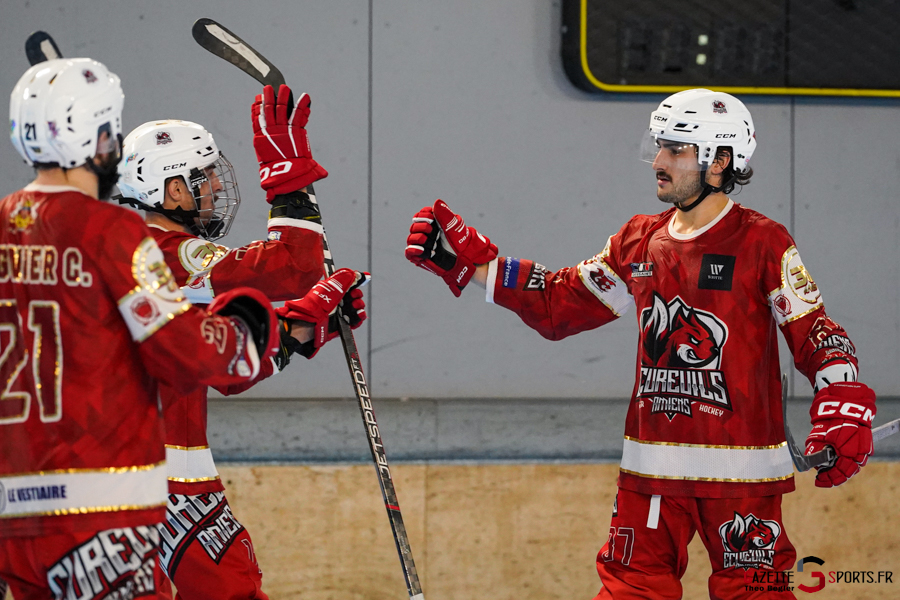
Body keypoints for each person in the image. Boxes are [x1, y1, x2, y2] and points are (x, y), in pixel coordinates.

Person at [405, 88, 876, 599]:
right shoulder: (637, 239)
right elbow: (562, 302)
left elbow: (815, 332)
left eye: (676, 149)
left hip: (741, 473)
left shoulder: (763, 241)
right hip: (652, 471)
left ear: (720, 161)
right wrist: (469, 266)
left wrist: (842, 405)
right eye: (659, 146)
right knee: (629, 591)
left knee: (754, 593)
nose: (659, 160)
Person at [0, 58, 279, 599]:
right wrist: (245, 324)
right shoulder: (115, 233)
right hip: (96, 511)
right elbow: (187, 353)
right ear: (98, 137)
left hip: (14, 510)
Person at [115, 84, 368, 600]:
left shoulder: (137, 256)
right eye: (202, 176)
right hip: (164, 478)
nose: (213, 187)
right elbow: (293, 267)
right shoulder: (164, 256)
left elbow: (219, 364)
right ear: (173, 192)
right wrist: (288, 180)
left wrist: (303, 328)